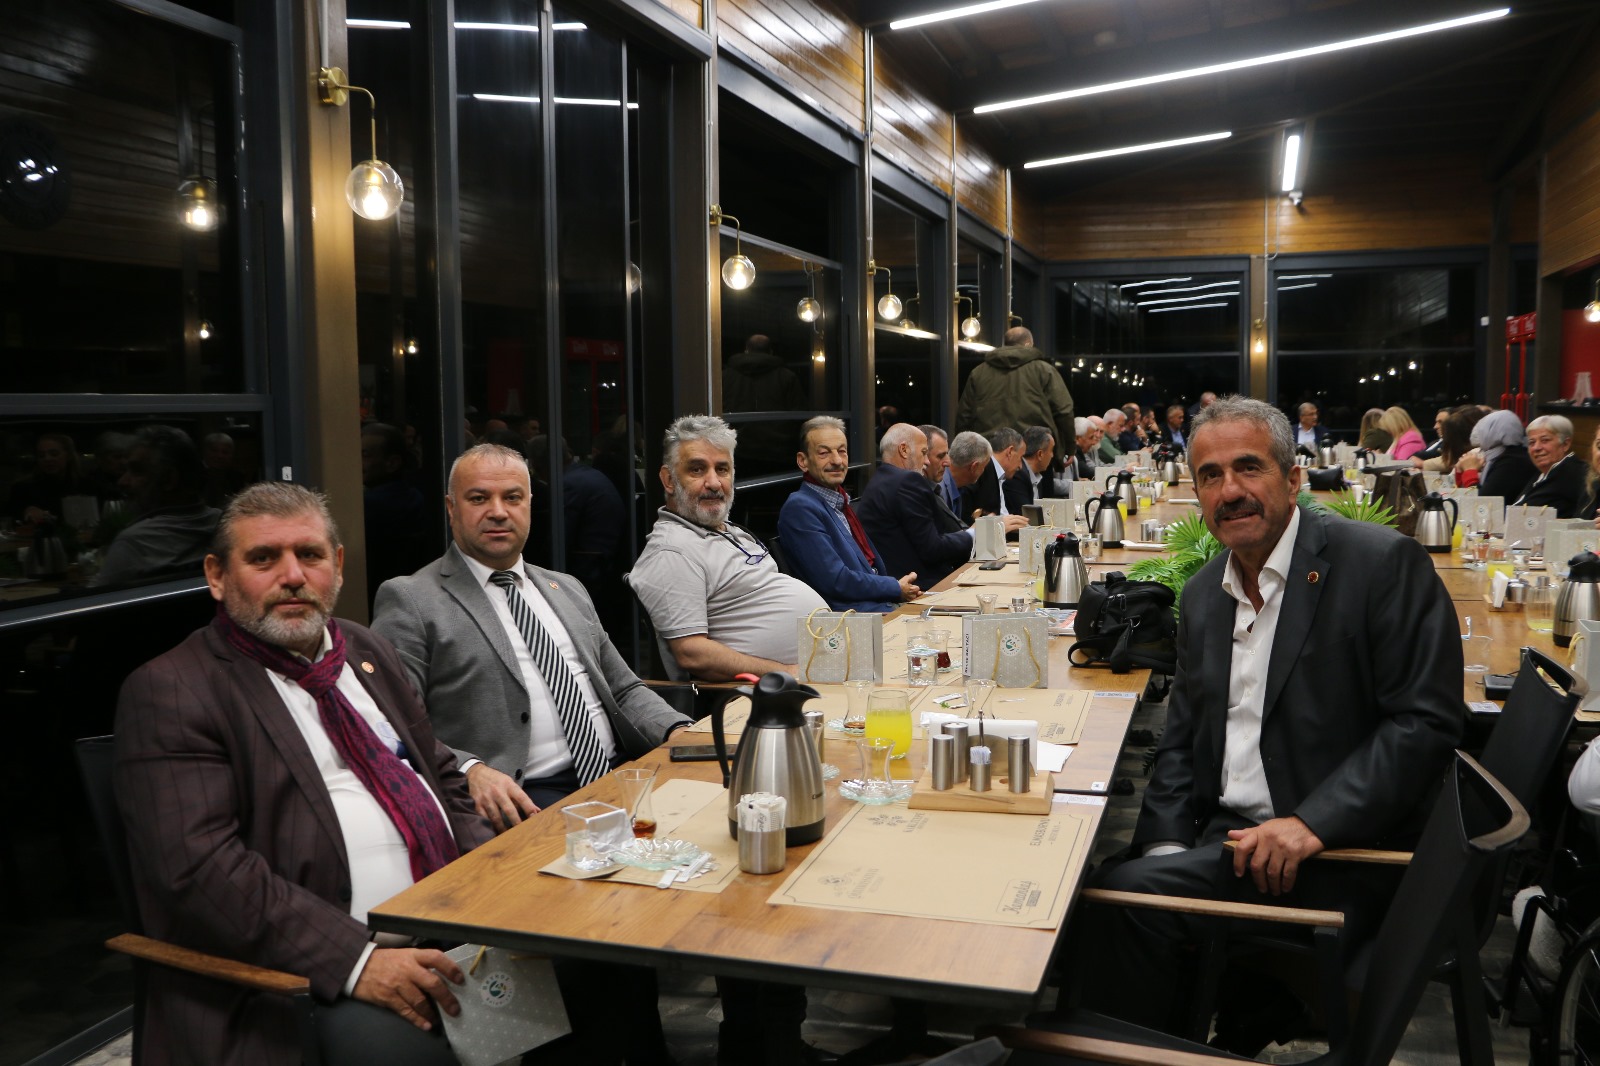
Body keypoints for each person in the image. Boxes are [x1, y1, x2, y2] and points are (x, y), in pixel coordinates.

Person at [1071, 395, 1462, 1044]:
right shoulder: (1205, 594)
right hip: (1230, 840)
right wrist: (1168, 846)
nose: (1230, 491)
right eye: (1210, 475)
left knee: (1120, 905)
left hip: (1338, 854)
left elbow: (1424, 724)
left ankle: (1151, 1050)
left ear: (1294, 478)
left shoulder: (1379, 565)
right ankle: (1198, 1033)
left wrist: (1313, 822)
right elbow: (1181, 739)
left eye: (1248, 468)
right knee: (1109, 882)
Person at [114, 482, 494, 1066]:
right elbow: (200, 870)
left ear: (336, 565)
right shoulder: (174, 690)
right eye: (264, 558)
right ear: (217, 576)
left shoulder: (363, 650)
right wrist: (356, 962)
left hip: (448, 925)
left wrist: (492, 895)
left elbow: (442, 777)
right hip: (296, 977)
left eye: (309, 555)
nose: (292, 576)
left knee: (593, 973)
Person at [628, 415, 824, 681]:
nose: (713, 482)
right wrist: (786, 672)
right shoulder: (672, 552)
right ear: (669, 480)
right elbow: (692, 653)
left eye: (722, 469)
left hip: (821, 669)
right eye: (697, 470)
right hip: (770, 692)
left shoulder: (725, 529)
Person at [777, 416, 919, 612]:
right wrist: (894, 587)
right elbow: (836, 580)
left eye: (842, 451)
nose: (837, 461)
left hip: (879, 605)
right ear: (803, 461)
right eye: (824, 453)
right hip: (852, 618)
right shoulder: (800, 508)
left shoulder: (840, 501)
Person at [92, 425, 220, 587]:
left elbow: (95, 600)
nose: (122, 481)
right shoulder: (226, 524)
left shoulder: (134, 544)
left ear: (169, 479)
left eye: (137, 471)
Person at [858, 423, 978, 591]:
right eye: (923, 452)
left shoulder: (879, 480)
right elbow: (932, 549)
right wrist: (973, 534)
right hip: (920, 588)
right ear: (904, 450)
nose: (927, 461)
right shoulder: (907, 482)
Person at [954, 326, 1075, 460]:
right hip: (1034, 452)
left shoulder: (978, 373)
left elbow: (964, 417)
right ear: (1028, 344)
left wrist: (964, 453)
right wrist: (1069, 448)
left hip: (991, 453)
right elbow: (1064, 412)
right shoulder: (1044, 370)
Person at [1513, 414, 1589, 518]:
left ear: (1565, 444)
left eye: (1545, 440)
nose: (1536, 448)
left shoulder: (1575, 474)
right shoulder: (1543, 473)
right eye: (1532, 442)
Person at [7, 431, 86, 524]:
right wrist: (26, 511)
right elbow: (10, 520)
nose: (47, 459)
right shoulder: (22, 488)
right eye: (41, 455)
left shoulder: (86, 486)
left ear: (68, 456)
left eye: (54, 454)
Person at [961, 426, 1024, 520]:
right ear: (1010, 452)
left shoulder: (999, 474)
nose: (1020, 466)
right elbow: (972, 516)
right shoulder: (982, 470)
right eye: (1020, 457)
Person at [1412, 406, 1485, 473]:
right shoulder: (1436, 443)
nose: (1435, 427)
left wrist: (1422, 464)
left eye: (1441, 422)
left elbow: (1448, 462)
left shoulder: (1476, 455)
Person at [1003, 425, 1059, 513]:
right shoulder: (1016, 474)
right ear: (1040, 454)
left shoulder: (1037, 475)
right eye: (1051, 450)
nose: (1052, 455)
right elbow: (1026, 514)